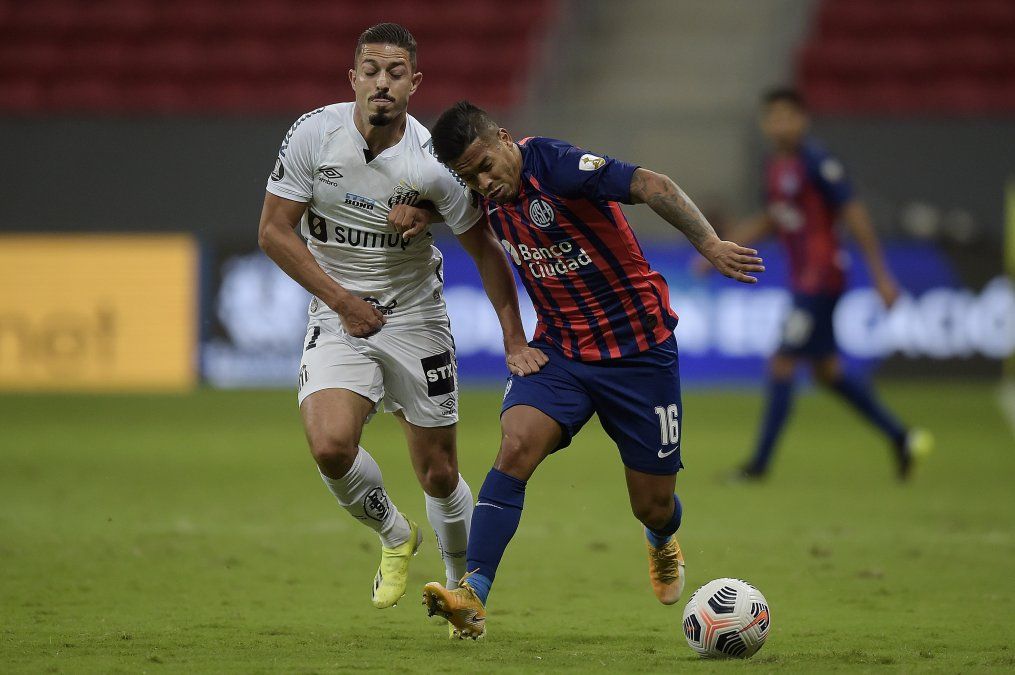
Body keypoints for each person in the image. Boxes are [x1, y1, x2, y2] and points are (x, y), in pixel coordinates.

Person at [417, 101, 764, 639]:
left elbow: (653, 184)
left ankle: (661, 538)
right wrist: (418, 208)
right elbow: (448, 205)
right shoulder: (482, 190)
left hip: (640, 353)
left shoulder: (558, 167)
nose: (482, 184)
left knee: (652, 505)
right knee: (515, 446)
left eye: (485, 166)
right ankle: (472, 593)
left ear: (504, 138)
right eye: (469, 178)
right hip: (562, 352)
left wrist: (710, 244)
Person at [256, 24, 545, 618]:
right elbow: (273, 232)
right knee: (330, 446)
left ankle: (461, 590)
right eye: (370, 71)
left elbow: (487, 251)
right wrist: (342, 302)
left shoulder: (435, 163)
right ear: (352, 78)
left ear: (414, 83)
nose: (381, 83)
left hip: (415, 316)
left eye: (395, 73)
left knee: (438, 473)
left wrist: (514, 338)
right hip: (339, 310)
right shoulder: (314, 134)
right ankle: (394, 533)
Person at [722, 87, 932, 480]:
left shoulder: (817, 161)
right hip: (804, 279)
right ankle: (900, 437)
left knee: (783, 361)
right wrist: (723, 247)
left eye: (788, 116)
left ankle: (758, 467)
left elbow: (854, 213)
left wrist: (882, 276)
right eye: (773, 116)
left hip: (820, 278)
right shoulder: (775, 166)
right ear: (765, 123)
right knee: (827, 372)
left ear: (803, 120)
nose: (780, 124)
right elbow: (774, 218)